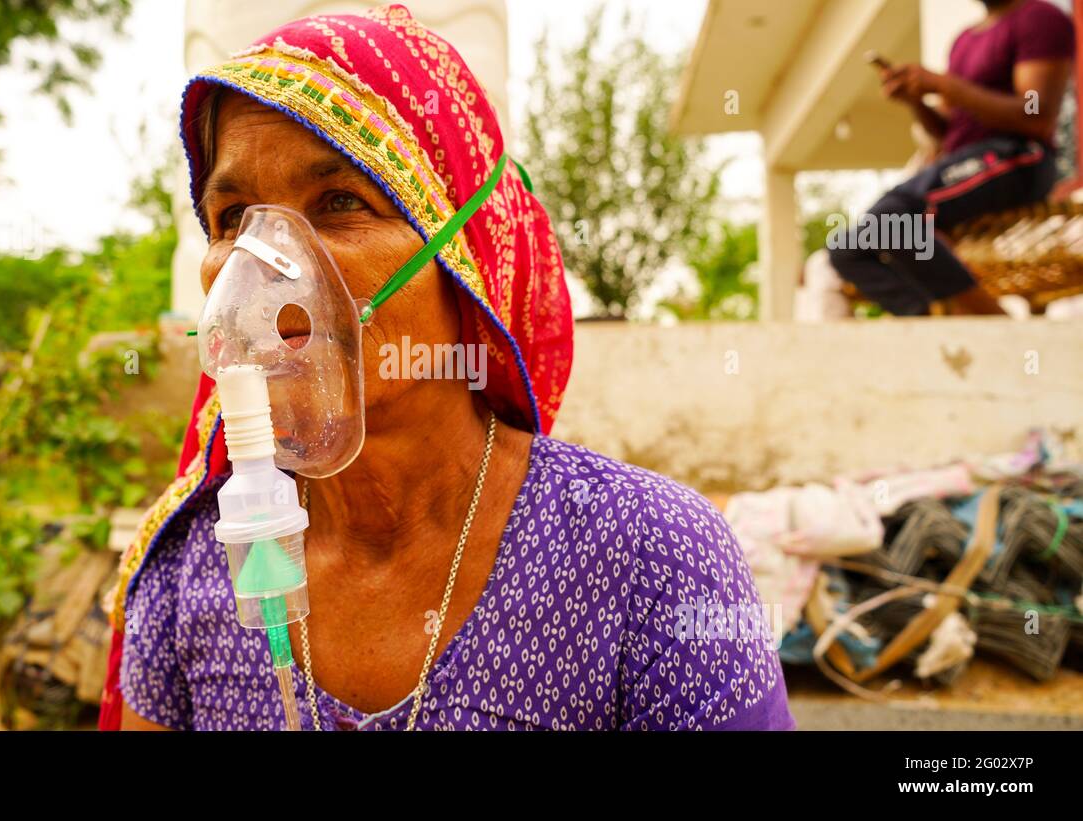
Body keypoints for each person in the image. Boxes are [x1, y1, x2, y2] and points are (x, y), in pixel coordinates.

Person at [100, 3, 793, 731]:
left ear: (466, 255)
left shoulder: (653, 558)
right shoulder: (187, 573)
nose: (261, 268)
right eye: (233, 218)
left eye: (340, 202)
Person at [830, 0, 1076, 316]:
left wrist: (943, 84)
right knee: (848, 251)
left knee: (892, 218)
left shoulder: (1039, 18)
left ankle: (997, 326)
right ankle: (936, 327)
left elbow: (1035, 114)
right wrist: (916, 101)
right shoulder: (964, 41)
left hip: (1019, 158)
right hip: (964, 165)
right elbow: (948, 133)